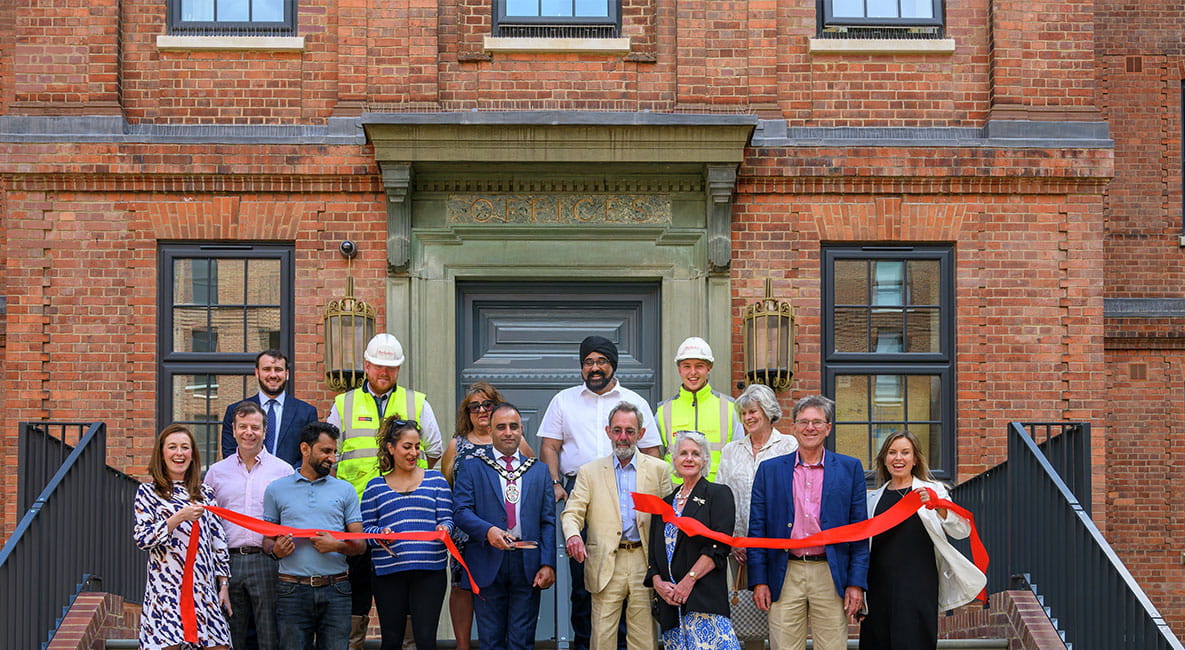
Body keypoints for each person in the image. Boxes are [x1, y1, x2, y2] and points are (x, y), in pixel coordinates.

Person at [538, 335, 661, 650]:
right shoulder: (563, 400)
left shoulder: (635, 402)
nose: (594, 368)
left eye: (601, 361)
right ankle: (585, 643)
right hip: (579, 489)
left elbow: (652, 453)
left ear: (612, 365)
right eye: (588, 362)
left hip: (629, 491)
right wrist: (554, 483)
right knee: (585, 582)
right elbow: (549, 446)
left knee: (635, 584)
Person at [327, 333, 445, 647]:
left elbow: (434, 450)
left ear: (399, 369)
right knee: (357, 590)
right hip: (356, 519)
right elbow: (330, 456)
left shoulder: (416, 401)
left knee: (405, 597)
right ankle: (353, 644)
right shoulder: (345, 403)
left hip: (402, 519)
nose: (384, 372)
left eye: (391, 367)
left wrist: (412, 485)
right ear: (366, 365)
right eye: (379, 365)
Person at [747, 395, 869, 650]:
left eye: (816, 422)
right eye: (803, 422)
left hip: (830, 571)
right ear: (794, 427)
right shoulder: (770, 470)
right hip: (784, 570)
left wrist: (856, 583)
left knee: (833, 646)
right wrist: (759, 580)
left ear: (828, 427)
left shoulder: (850, 469)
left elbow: (859, 531)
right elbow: (757, 529)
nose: (809, 428)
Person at [859, 431, 986, 650]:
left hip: (919, 585)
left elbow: (962, 530)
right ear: (884, 459)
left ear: (915, 458)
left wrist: (939, 507)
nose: (898, 458)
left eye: (905, 452)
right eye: (892, 453)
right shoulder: (872, 499)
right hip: (877, 586)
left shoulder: (934, 491)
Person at [562, 402, 674, 650]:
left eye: (630, 431)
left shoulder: (658, 470)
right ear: (608, 431)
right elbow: (572, 511)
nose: (623, 437)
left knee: (644, 638)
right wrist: (573, 536)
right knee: (602, 637)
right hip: (604, 562)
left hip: (643, 562)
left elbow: (668, 520)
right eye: (617, 430)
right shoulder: (589, 472)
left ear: (641, 434)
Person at [453, 402, 557, 650]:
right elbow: (460, 511)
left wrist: (547, 563)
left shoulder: (539, 471)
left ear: (522, 429)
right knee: (491, 641)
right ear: (490, 431)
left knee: (522, 641)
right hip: (487, 560)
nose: (508, 432)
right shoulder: (472, 466)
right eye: (501, 427)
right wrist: (487, 530)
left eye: (513, 426)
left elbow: (548, 521)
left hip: (528, 563)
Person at [440, 382, 533, 650]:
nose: (481, 410)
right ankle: (462, 645)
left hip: (507, 530)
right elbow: (448, 485)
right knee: (461, 585)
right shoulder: (456, 445)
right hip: (465, 531)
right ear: (466, 413)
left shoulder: (518, 441)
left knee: (505, 586)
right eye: (474, 407)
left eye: (487, 405)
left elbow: (530, 480)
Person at [263, 422, 367, 650]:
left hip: (336, 589)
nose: (332, 458)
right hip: (291, 590)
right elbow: (267, 541)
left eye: (334, 451)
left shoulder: (345, 490)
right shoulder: (275, 489)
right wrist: (275, 551)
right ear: (305, 449)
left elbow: (360, 544)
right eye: (326, 451)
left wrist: (337, 546)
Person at [205, 401, 296, 650]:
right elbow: (208, 523)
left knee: (270, 636)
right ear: (233, 430)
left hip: (267, 560)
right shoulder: (215, 473)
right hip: (227, 563)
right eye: (242, 426)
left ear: (265, 432)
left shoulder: (283, 470)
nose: (249, 432)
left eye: (255, 427)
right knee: (229, 635)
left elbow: (291, 517)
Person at [133, 424, 232, 650]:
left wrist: (223, 583)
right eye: (173, 447)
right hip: (166, 590)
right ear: (161, 453)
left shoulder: (205, 493)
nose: (179, 453)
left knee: (218, 645)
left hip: (203, 588)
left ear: (192, 454)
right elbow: (143, 538)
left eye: (185, 447)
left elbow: (218, 542)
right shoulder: (148, 492)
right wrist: (178, 518)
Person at [715, 383, 799, 650]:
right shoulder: (731, 450)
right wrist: (733, 541)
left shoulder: (789, 445)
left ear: (769, 412)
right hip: (739, 549)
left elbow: (795, 497)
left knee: (779, 610)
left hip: (777, 545)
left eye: (753, 412)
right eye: (744, 414)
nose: (748, 418)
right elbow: (722, 500)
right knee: (749, 613)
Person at [361, 417, 454, 650]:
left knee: (425, 640)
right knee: (391, 641)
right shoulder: (375, 486)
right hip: (388, 574)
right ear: (391, 448)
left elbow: (447, 519)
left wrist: (445, 529)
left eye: (417, 447)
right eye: (407, 446)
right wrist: (381, 533)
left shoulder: (436, 481)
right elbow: (366, 529)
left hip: (429, 572)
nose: (413, 452)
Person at [644, 431, 739, 650]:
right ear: (674, 461)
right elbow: (653, 557)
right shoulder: (663, 505)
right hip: (671, 608)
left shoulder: (718, 494)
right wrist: (658, 584)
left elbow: (719, 547)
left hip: (703, 601)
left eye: (696, 454)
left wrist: (688, 581)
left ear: (705, 460)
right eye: (683, 453)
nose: (689, 458)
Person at [654, 337, 741, 480]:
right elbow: (655, 460)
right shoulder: (664, 411)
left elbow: (739, 457)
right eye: (686, 366)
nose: (693, 372)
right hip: (675, 495)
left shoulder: (730, 407)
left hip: (717, 493)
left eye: (699, 366)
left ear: (709, 368)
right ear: (679, 370)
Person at [221, 349, 319, 467]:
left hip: (289, 482)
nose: (273, 375)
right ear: (257, 373)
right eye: (267, 369)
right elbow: (229, 452)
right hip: (246, 481)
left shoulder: (306, 412)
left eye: (278, 370)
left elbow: (310, 453)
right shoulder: (234, 411)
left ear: (287, 374)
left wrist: (287, 477)